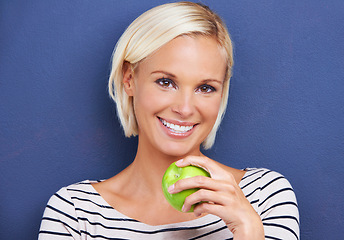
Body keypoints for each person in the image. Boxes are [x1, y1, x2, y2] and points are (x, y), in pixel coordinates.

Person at [38, 2, 299, 239]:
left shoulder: (264, 196)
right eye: (166, 82)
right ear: (129, 79)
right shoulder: (75, 213)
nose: (185, 108)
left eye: (205, 88)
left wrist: (248, 229)